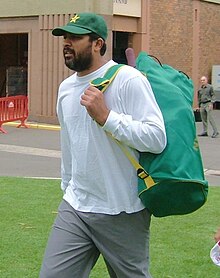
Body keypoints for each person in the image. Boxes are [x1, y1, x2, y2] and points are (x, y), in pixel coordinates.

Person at [39, 12, 166, 278]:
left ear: (97, 43)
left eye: (75, 37)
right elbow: (70, 145)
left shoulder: (128, 79)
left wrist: (107, 117)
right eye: (65, 37)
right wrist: (68, 186)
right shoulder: (65, 89)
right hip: (76, 206)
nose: (66, 43)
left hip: (122, 210)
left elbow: (156, 138)